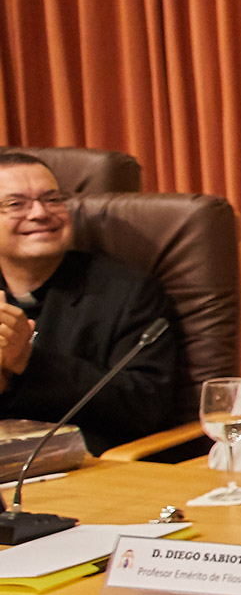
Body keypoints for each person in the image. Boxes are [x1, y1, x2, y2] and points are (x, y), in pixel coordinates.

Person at [0, 151, 182, 452]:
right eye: (16, 204)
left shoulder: (127, 292)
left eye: (52, 199)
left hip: (87, 465)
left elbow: (145, 405)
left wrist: (28, 363)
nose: (40, 213)